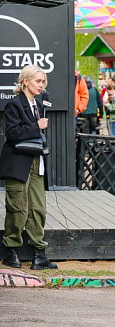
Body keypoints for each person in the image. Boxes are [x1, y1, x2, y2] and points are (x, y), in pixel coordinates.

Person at [0, 66, 57, 270]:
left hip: (36, 161)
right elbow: (12, 133)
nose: (41, 85)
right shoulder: (14, 104)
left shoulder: (39, 104)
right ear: (25, 81)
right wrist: (37, 126)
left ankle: (39, 253)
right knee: (18, 208)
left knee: (38, 208)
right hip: (18, 162)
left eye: (43, 81)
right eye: (37, 81)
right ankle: (11, 250)